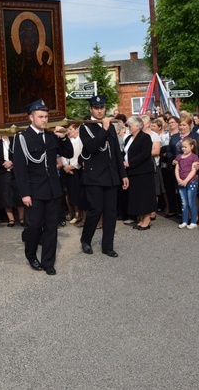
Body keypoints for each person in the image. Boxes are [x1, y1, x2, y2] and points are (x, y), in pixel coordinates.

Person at [13, 100, 73, 275]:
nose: (44, 120)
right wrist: (25, 193)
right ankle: (31, 255)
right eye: (41, 116)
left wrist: (63, 137)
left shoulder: (51, 136)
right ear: (31, 118)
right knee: (33, 227)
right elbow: (20, 168)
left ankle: (48, 262)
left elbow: (68, 153)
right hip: (34, 191)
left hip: (53, 189)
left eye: (46, 117)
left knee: (51, 228)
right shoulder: (22, 138)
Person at [79, 96, 129, 257]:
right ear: (91, 109)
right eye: (96, 107)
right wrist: (104, 129)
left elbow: (115, 152)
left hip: (111, 175)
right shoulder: (85, 127)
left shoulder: (110, 127)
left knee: (110, 212)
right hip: (94, 176)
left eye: (102, 107)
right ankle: (86, 239)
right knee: (95, 210)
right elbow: (92, 147)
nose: (99, 110)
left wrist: (123, 174)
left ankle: (107, 245)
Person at [122, 116, 157, 230]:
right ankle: (140, 218)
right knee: (136, 196)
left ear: (137, 126)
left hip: (143, 171)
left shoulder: (145, 137)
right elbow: (124, 152)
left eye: (130, 126)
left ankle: (147, 219)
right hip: (132, 172)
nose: (128, 128)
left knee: (144, 196)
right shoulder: (128, 139)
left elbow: (145, 154)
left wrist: (130, 163)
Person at [175, 138, 199, 229]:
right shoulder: (179, 156)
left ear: (192, 147)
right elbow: (177, 168)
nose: (183, 149)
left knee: (191, 202)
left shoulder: (194, 157)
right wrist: (178, 179)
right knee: (184, 202)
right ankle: (185, 220)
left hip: (191, 181)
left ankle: (193, 221)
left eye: (185, 147)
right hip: (181, 182)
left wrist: (186, 180)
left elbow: (194, 170)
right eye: (182, 147)